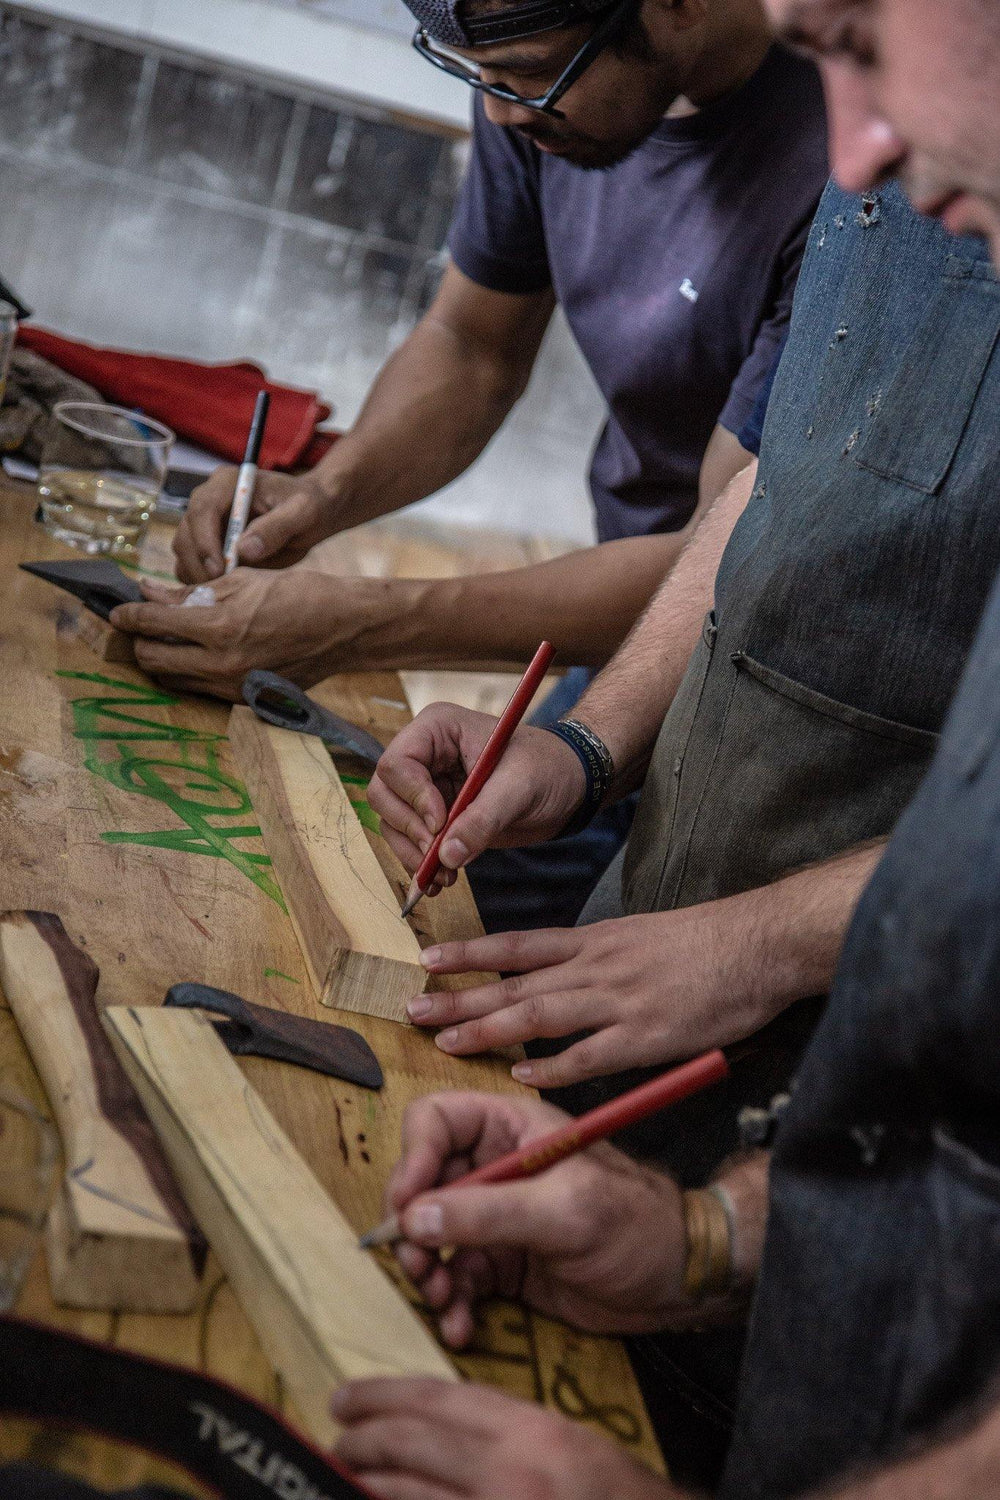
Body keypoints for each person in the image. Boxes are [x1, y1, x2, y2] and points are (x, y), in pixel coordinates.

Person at [326, 13, 1000, 1495]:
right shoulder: (905, 142)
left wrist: (766, 943)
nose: (853, 144)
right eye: (830, 50)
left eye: (867, 47)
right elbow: (767, 491)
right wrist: (579, 747)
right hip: (786, 1115)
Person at [111, 0, 828, 930]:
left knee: (564, 978)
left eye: (528, 73)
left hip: (776, 698)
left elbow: (724, 553)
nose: (499, 113)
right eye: (478, 76)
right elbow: (472, 345)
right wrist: (326, 493)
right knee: (420, 897)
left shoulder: (847, 180)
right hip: (616, 633)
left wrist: (366, 624)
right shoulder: (534, 90)